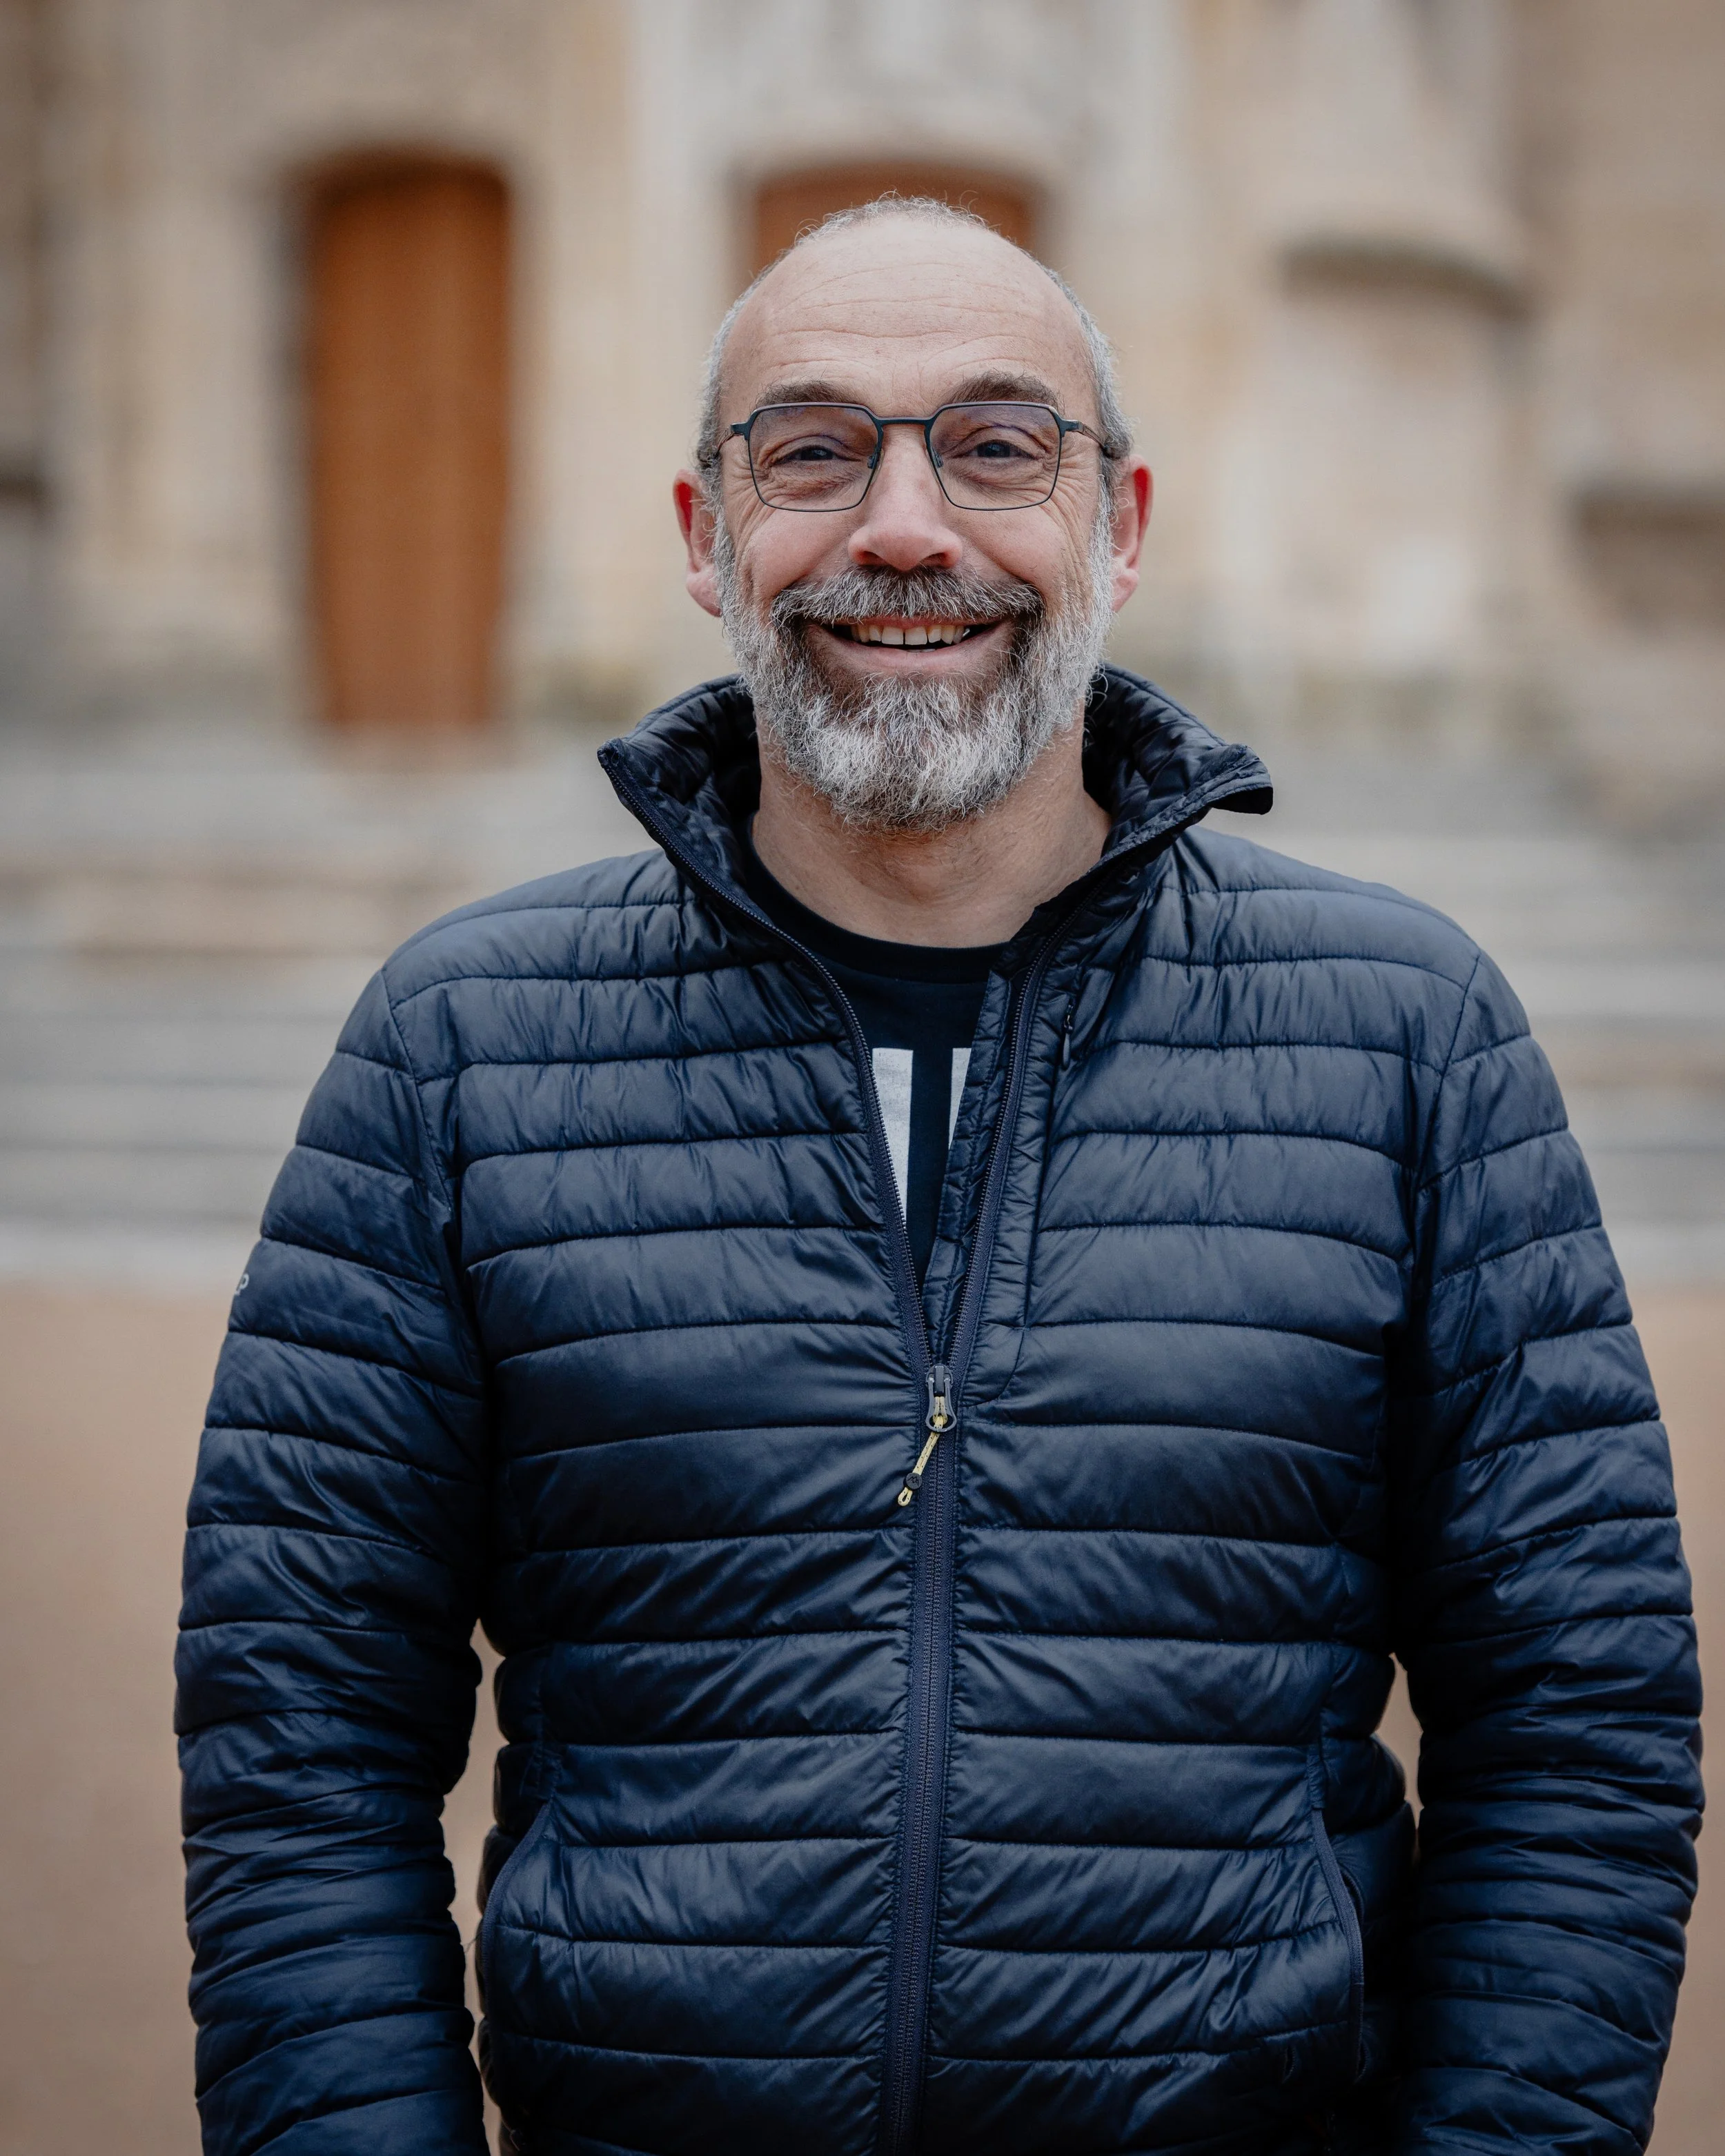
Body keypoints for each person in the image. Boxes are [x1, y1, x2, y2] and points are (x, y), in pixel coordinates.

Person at [176, 199, 1702, 2156]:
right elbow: (299, 1736)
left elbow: (1579, 1724)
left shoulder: (1406, 1032)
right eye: (808, 448)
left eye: (996, 444)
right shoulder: (460, 1041)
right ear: (703, 535)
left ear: (1120, 525)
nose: (904, 526)